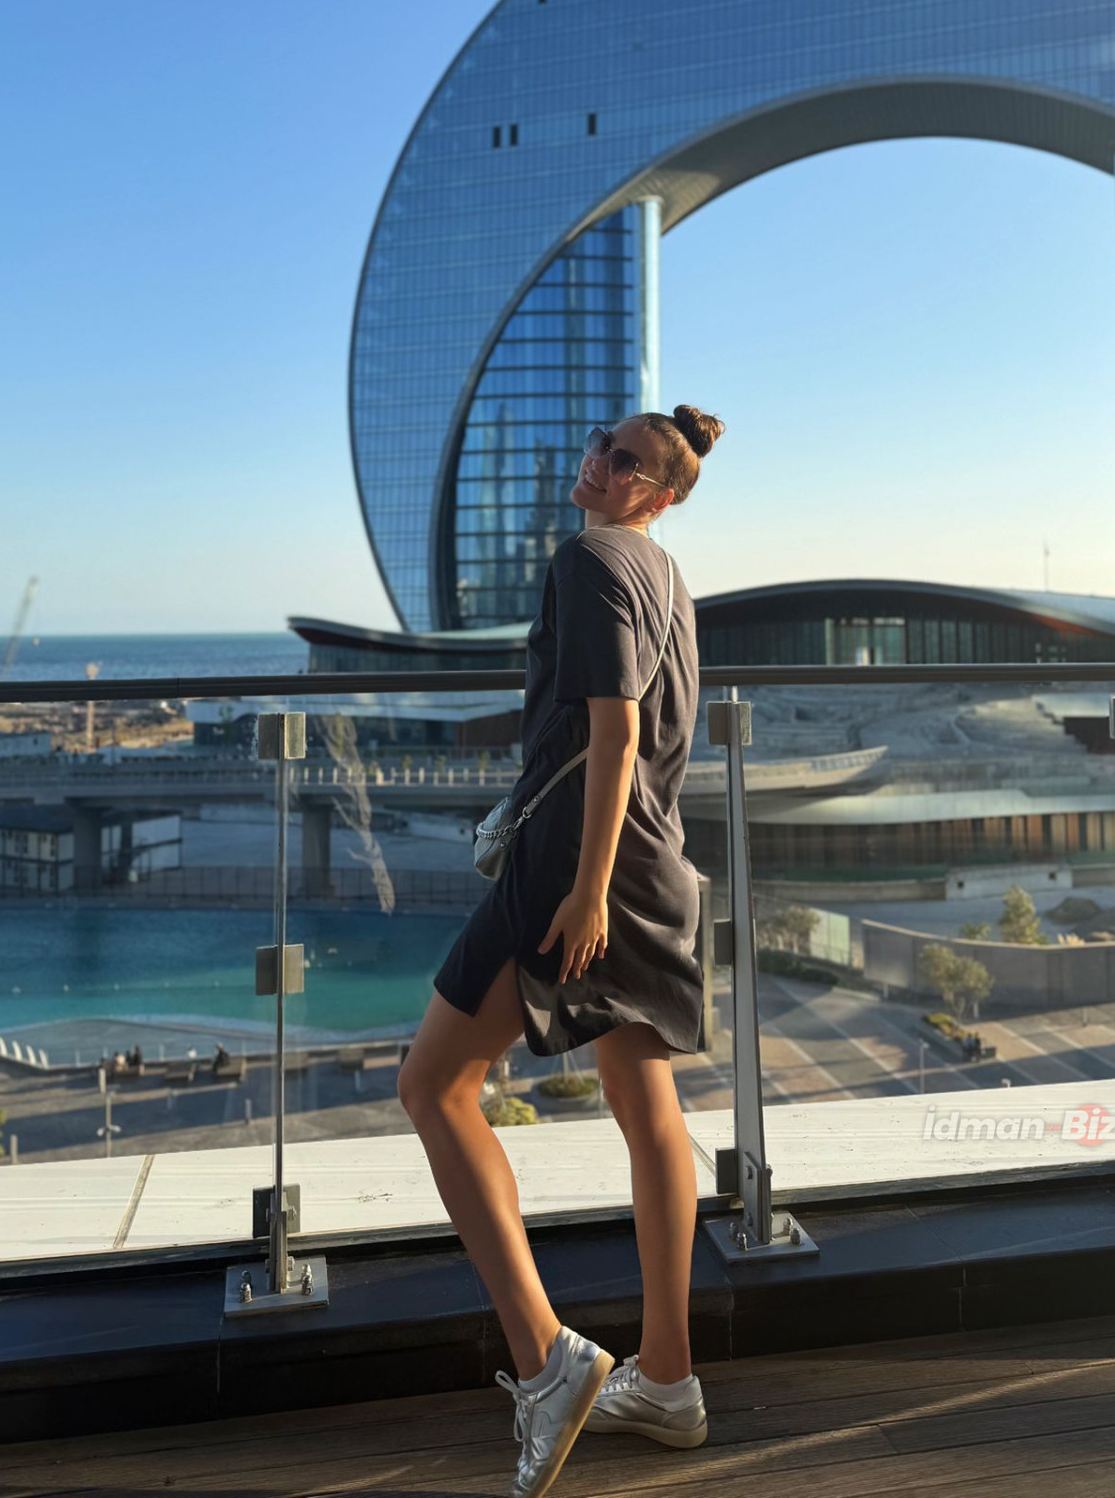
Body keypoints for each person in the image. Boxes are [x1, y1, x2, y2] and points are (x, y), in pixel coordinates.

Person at [398, 405, 724, 1496]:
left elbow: (617, 728)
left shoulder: (589, 561)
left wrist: (583, 893)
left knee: (434, 1085)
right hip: (656, 861)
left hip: (579, 871)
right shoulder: (667, 576)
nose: (597, 464)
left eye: (624, 462)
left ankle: (547, 1361)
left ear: (659, 493)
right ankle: (667, 1381)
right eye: (597, 446)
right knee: (647, 1109)